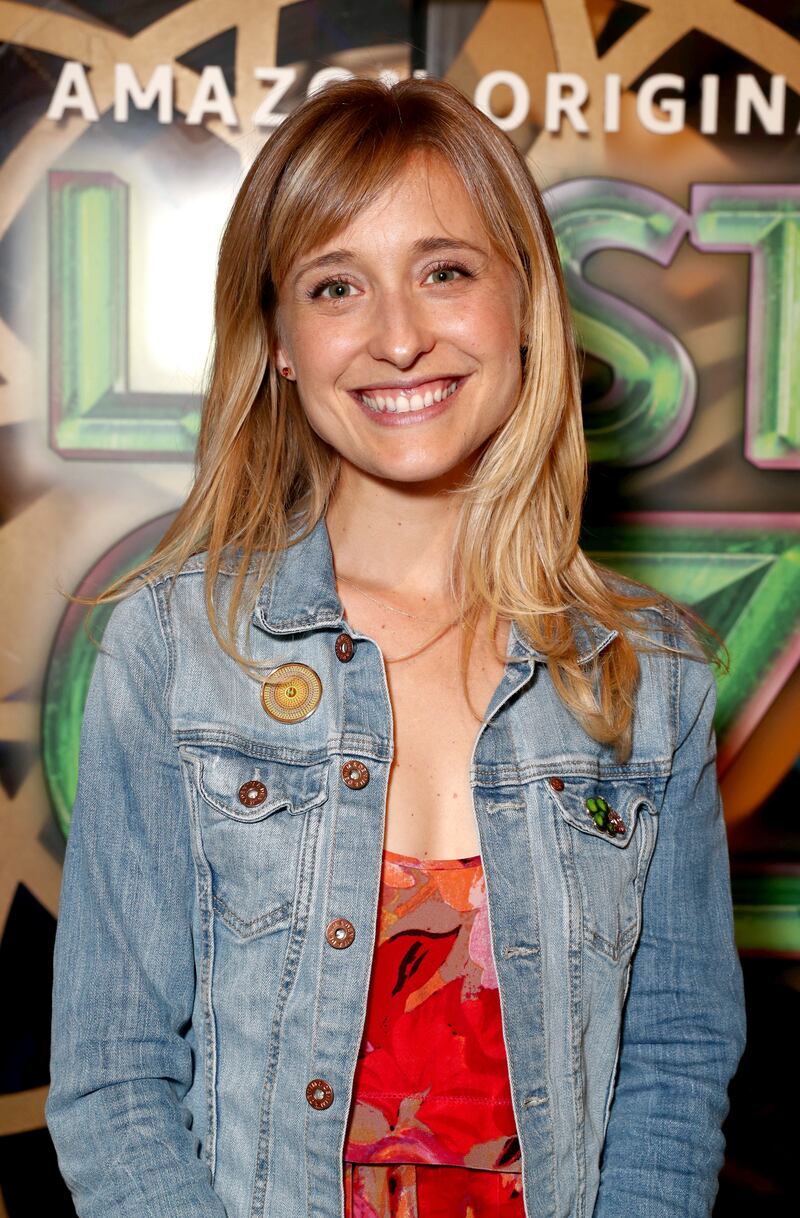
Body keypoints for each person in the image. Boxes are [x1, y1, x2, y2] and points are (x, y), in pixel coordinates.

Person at [45, 77, 745, 1218]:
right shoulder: (173, 652)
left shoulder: (646, 675)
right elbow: (113, 1084)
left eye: (445, 270)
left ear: (521, 301)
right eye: (335, 286)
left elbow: (672, 1065)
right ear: (276, 338)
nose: (399, 335)